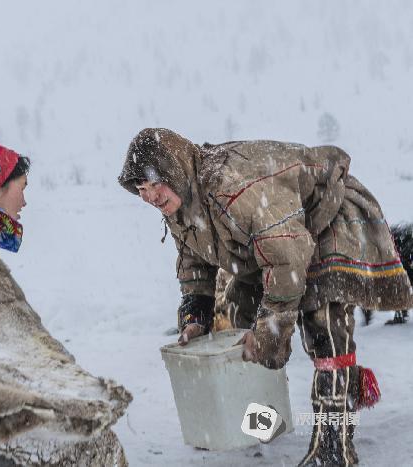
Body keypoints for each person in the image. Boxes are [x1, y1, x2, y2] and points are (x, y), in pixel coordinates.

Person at [118, 128, 413, 466]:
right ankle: (265, 421)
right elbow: (195, 263)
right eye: (142, 189)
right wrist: (195, 316)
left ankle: (334, 447)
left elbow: (286, 259)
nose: (151, 197)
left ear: (175, 173)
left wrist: (271, 333)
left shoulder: (233, 188)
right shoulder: (182, 203)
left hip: (325, 219)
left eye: (155, 185)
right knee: (242, 315)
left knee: (324, 329)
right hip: (275, 242)